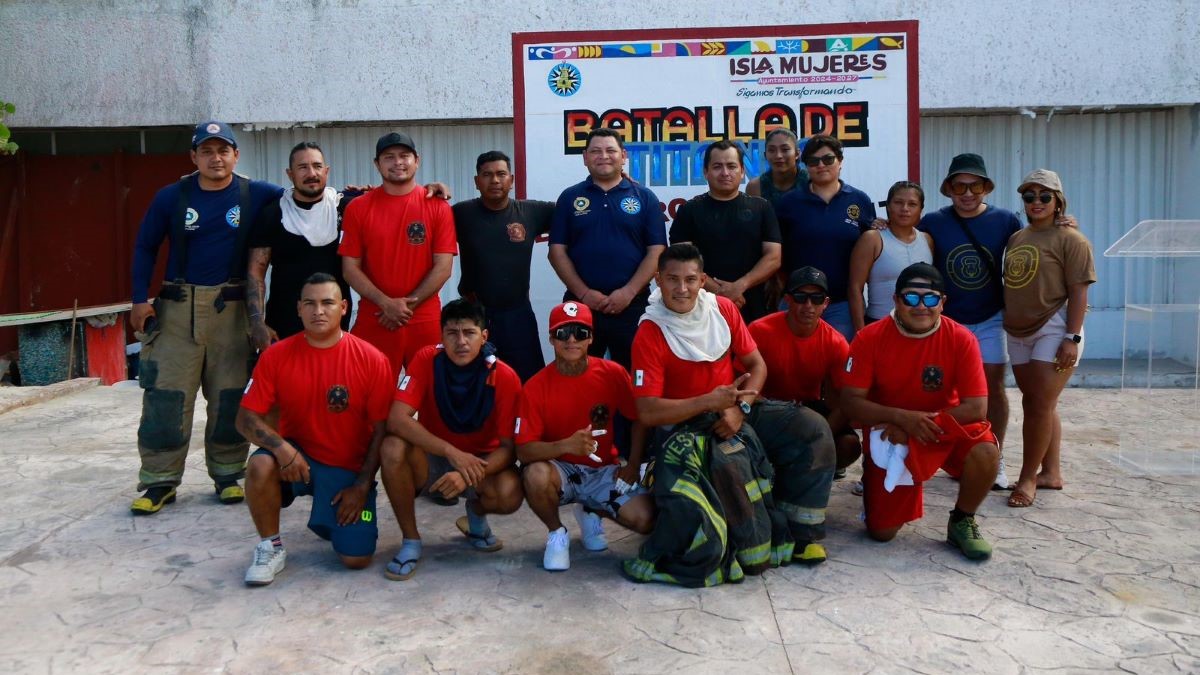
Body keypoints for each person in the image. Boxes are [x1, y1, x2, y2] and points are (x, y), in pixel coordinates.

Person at [632, 243, 835, 564]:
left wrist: (738, 409)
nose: (681, 289)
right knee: (729, 465)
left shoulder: (724, 309)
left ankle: (802, 535)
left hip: (733, 411)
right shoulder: (650, 331)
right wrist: (708, 401)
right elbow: (649, 411)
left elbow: (757, 366)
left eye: (690, 279)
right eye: (672, 279)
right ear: (657, 280)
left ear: (702, 281)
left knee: (812, 427)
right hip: (683, 430)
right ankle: (749, 539)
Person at [129, 120, 282, 514]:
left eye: (223, 150)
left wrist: (359, 194)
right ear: (194, 157)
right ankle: (159, 481)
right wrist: (137, 300)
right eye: (207, 151)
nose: (216, 158)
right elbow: (145, 247)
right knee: (166, 396)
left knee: (230, 396)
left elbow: (308, 196)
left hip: (232, 312)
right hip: (176, 309)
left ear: (236, 155)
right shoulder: (171, 197)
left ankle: (228, 474)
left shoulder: (257, 193)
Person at [235, 273, 393, 585]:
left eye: (327, 303)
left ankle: (329, 518)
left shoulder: (373, 360)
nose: (318, 311)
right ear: (298, 309)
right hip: (297, 460)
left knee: (356, 558)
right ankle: (270, 546)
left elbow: (381, 432)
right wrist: (283, 450)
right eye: (310, 303)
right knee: (261, 463)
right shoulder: (275, 356)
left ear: (344, 307)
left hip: (346, 471)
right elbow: (245, 419)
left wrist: (362, 486)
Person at [841, 262, 1000, 560]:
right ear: (897, 300)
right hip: (893, 434)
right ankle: (894, 490)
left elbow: (977, 407)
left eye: (930, 298)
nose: (921, 306)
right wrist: (902, 418)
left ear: (942, 302)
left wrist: (921, 423)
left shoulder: (961, 338)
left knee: (986, 451)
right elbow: (851, 402)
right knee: (882, 533)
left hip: (941, 428)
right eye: (911, 298)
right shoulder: (870, 338)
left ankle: (963, 519)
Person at [378, 299, 524, 580]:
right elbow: (397, 418)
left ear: (484, 336)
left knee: (510, 493)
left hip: (479, 463)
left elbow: (509, 449)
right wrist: (451, 453)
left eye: (469, 333)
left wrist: (467, 474)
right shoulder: (426, 359)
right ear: (441, 335)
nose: (461, 342)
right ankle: (411, 541)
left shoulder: (504, 376)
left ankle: (475, 515)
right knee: (392, 446)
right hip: (434, 460)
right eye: (452, 333)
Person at [517, 301, 655, 571]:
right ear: (551, 339)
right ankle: (557, 533)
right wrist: (566, 445)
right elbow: (523, 452)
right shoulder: (534, 386)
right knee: (534, 475)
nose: (571, 339)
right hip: (560, 470)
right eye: (562, 332)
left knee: (645, 519)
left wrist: (632, 464)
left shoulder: (613, 373)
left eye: (579, 333)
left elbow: (639, 418)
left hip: (604, 470)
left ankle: (591, 510)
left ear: (591, 338)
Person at [1002, 170, 1096, 508]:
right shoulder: (1018, 238)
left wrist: (1071, 336)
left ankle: (1028, 478)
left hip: (1054, 328)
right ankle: (1051, 472)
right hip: (1018, 330)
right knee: (1040, 402)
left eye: (1045, 196)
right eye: (1029, 196)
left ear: (1058, 201)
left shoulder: (1072, 240)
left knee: (1037, 404)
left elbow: (1079, 292)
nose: (1037, 202)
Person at [549, 127, 667, 369]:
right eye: (596, 151)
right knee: (576, 375)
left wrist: (628, 292)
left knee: (636, 376)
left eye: (610, 150)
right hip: (580, 305)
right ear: (585, 157)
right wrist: (584, 294)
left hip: (632, 305)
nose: (603, 156)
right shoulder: (570, 197)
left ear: (623, 155)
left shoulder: (645, 197)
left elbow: (656, 251)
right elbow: (556, 252)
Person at [340, 132, 457, 376]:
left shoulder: (438, 206)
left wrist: (405, 307)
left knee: (431, 399)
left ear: (417, 160)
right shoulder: (358, 208)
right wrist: (386, 303)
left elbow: (443, 267)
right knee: (369, 401)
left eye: (404, 156)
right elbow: (350, 268)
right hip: (376, 318)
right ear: (377, 164)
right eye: (389, 157)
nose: (398, 162)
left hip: (425, 321)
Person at [748, 267, 861, 477]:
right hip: (764, 407)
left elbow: (845, 401)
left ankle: (817, 470)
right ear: (788, 300)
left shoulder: (836, 342)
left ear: (825, 303)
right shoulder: (759, 330)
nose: (808, 306)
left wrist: (820, 436)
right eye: (801, 297)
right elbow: (742, 381)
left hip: (807, 412)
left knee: (849, 445)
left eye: (816, 298)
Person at [453, 150, 555, 382]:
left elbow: (577, 209)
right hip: (474, 314)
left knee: (529, 382)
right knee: (474, 382)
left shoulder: (531, 212)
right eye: (487, 175)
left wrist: (616, 180)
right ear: (477, 182)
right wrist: (434, 187)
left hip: (517, 314)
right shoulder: (461, 213)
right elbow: (423, 214)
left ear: (511, 179)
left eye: (501, 174)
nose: (495, 180)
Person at [246, 142, 359, 348]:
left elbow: (394, 198)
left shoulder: (346, 209)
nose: (311, 173)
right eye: (303, 167)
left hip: (335, 326)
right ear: (290, 174)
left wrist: (433, 191)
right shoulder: (272, 214)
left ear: (327, 171)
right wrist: (256, 322)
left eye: (317, 166)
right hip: (283, 328)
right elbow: (256, 272)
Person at [774, 134, 876, 342]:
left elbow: (872, 247)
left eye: (828, 159)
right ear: (806, 166)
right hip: (797, 303)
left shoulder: (859, 200)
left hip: (842, 306)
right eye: (813, 161)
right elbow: (776, 253)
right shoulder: (789, 203)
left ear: (840, 162)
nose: (821, 165)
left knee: (840, 367)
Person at [670, 140, 781, 323]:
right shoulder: (689, 210)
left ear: (742, 171)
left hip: (753, 305)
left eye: (731, 166)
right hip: (702, 307)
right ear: (706, 172)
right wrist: (720, 292)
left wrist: (740, 286)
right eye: (717, 167)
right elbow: (681, 261)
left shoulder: (761, 208)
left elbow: (774, 257)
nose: (725, 173)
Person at [848, 181, 934, 332]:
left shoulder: (927, 240)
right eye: (898, 202)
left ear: (921, 209)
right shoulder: (873, 239)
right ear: (888, 206)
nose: (905, 209)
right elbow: (855, 288)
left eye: (912, 204)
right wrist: (860, 332)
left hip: (921, 327)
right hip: (880, 324)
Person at [746, 128, 808, 208]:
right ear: (765, 155)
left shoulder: (811, 183)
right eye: (772, 150)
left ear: (797, 154)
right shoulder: (755, 187)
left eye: (785, 150)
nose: (778, 155)